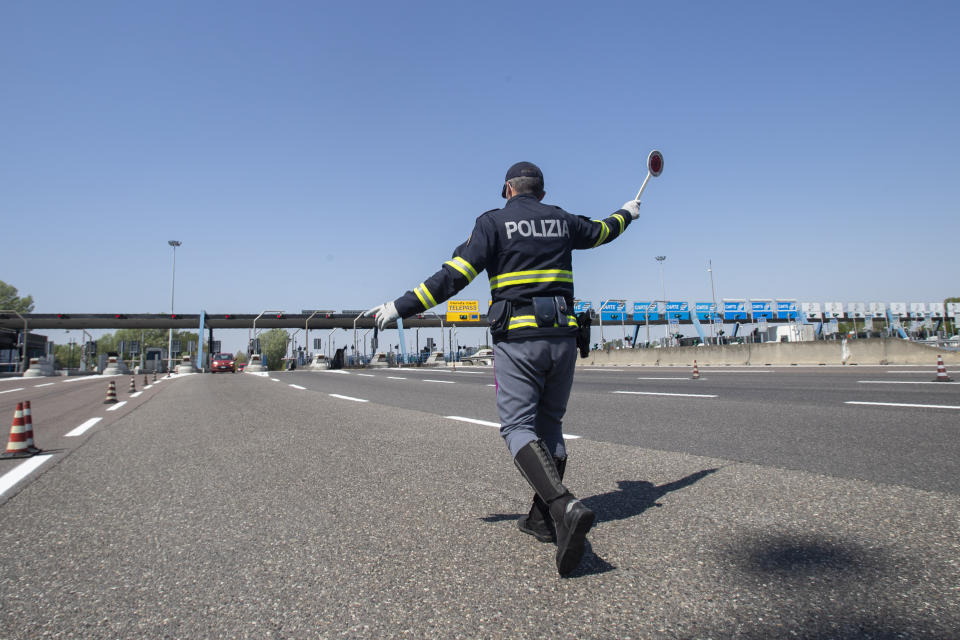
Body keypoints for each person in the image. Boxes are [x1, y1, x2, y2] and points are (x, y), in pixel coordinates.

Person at [366, 161, 640, 575]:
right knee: (551, 425)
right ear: (541, 193)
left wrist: (400, 307)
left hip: (520, 341)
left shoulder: (493, 223)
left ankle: (564, 506)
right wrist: (628, 212)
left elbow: (453, 277)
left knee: (517, 428)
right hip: (564, 339)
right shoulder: (562, 220)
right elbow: (603, 231)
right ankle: (542, 520)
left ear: (508, 190)